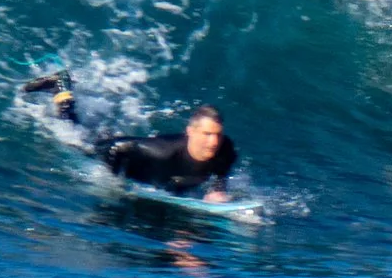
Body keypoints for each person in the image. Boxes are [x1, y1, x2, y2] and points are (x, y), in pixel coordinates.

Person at [20, 77, 240, 201]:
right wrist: (114, 183)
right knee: (75, 138)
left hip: (163, 180)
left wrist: (217, 190)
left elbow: (222, 170)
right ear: (191, 131)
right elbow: (116, 147)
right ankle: (60, 89)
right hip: (128, 160)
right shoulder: (163, 151)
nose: (213, 141)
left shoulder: (225, 148)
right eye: (207, 134)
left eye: (217, 134)